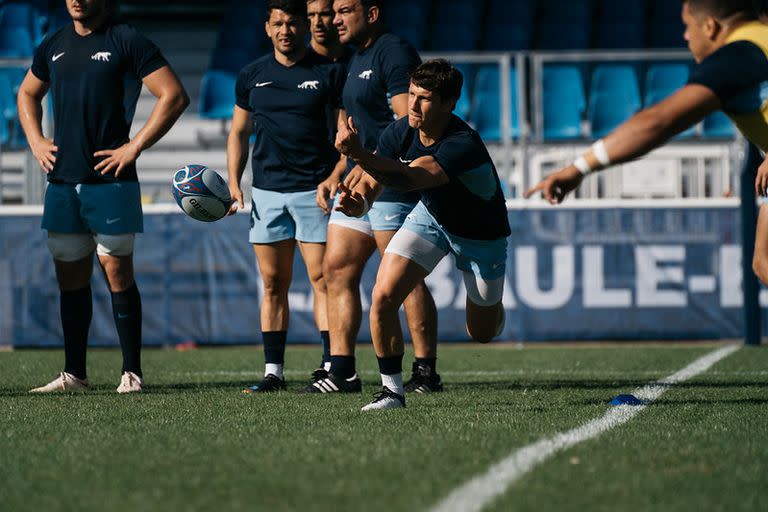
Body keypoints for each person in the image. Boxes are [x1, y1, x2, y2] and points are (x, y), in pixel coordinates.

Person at [524, 0, 768, 286]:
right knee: (763, 262)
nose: (685, 37)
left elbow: (657, 123)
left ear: (710, 27)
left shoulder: (737, 56)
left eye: (688, 27)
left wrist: (578, 168)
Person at [18, 0, 188, 393]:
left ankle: (132, 373)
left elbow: (174, 96)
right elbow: (27, 95)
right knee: (70, 279)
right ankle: (74, 375)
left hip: (112, 182)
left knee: (117, 274)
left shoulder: (126, 39)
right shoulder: (53, 43)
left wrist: (134, 147)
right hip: (62, 184)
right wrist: (37, 140)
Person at [335, 59, 510, 410]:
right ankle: (391, 392)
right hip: (431, 218)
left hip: (481, 236)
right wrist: (360, 203)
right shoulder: (401, 130)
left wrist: (358, 154)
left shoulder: (463, 143)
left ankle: (492, 309)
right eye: (411, 94)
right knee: (383, 295)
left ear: (449, 103)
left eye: (425, 98)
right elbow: (373, 183)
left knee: (483, 333)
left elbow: (411, 178)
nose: (413, 105)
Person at [305, 0, 441, 395]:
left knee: (403, 278)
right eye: (334, 12)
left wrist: (370, 166)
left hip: (392, 182)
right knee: (335, 269)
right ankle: (343, 370)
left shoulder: (394, 53)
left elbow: (407, 123)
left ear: (373, 13)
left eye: (345, 10)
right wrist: (338, 171)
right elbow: (352, 124)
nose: (335, 19)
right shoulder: (353, 57)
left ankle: (425, 372)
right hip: (357, 178)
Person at [226, 0, 346, 392]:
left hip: (316, 192)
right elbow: (239, 133)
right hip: (266, 194)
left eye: (293, 23)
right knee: (273, 283)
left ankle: (332, 366)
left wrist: (335, 175)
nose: (286, 31)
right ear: (267, 28)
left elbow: (347, 133)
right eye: (278, 23)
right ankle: (273, 372)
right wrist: (234, 182)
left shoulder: (327, 72)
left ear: (304, 27)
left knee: (323, 279)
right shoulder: (251, 75)